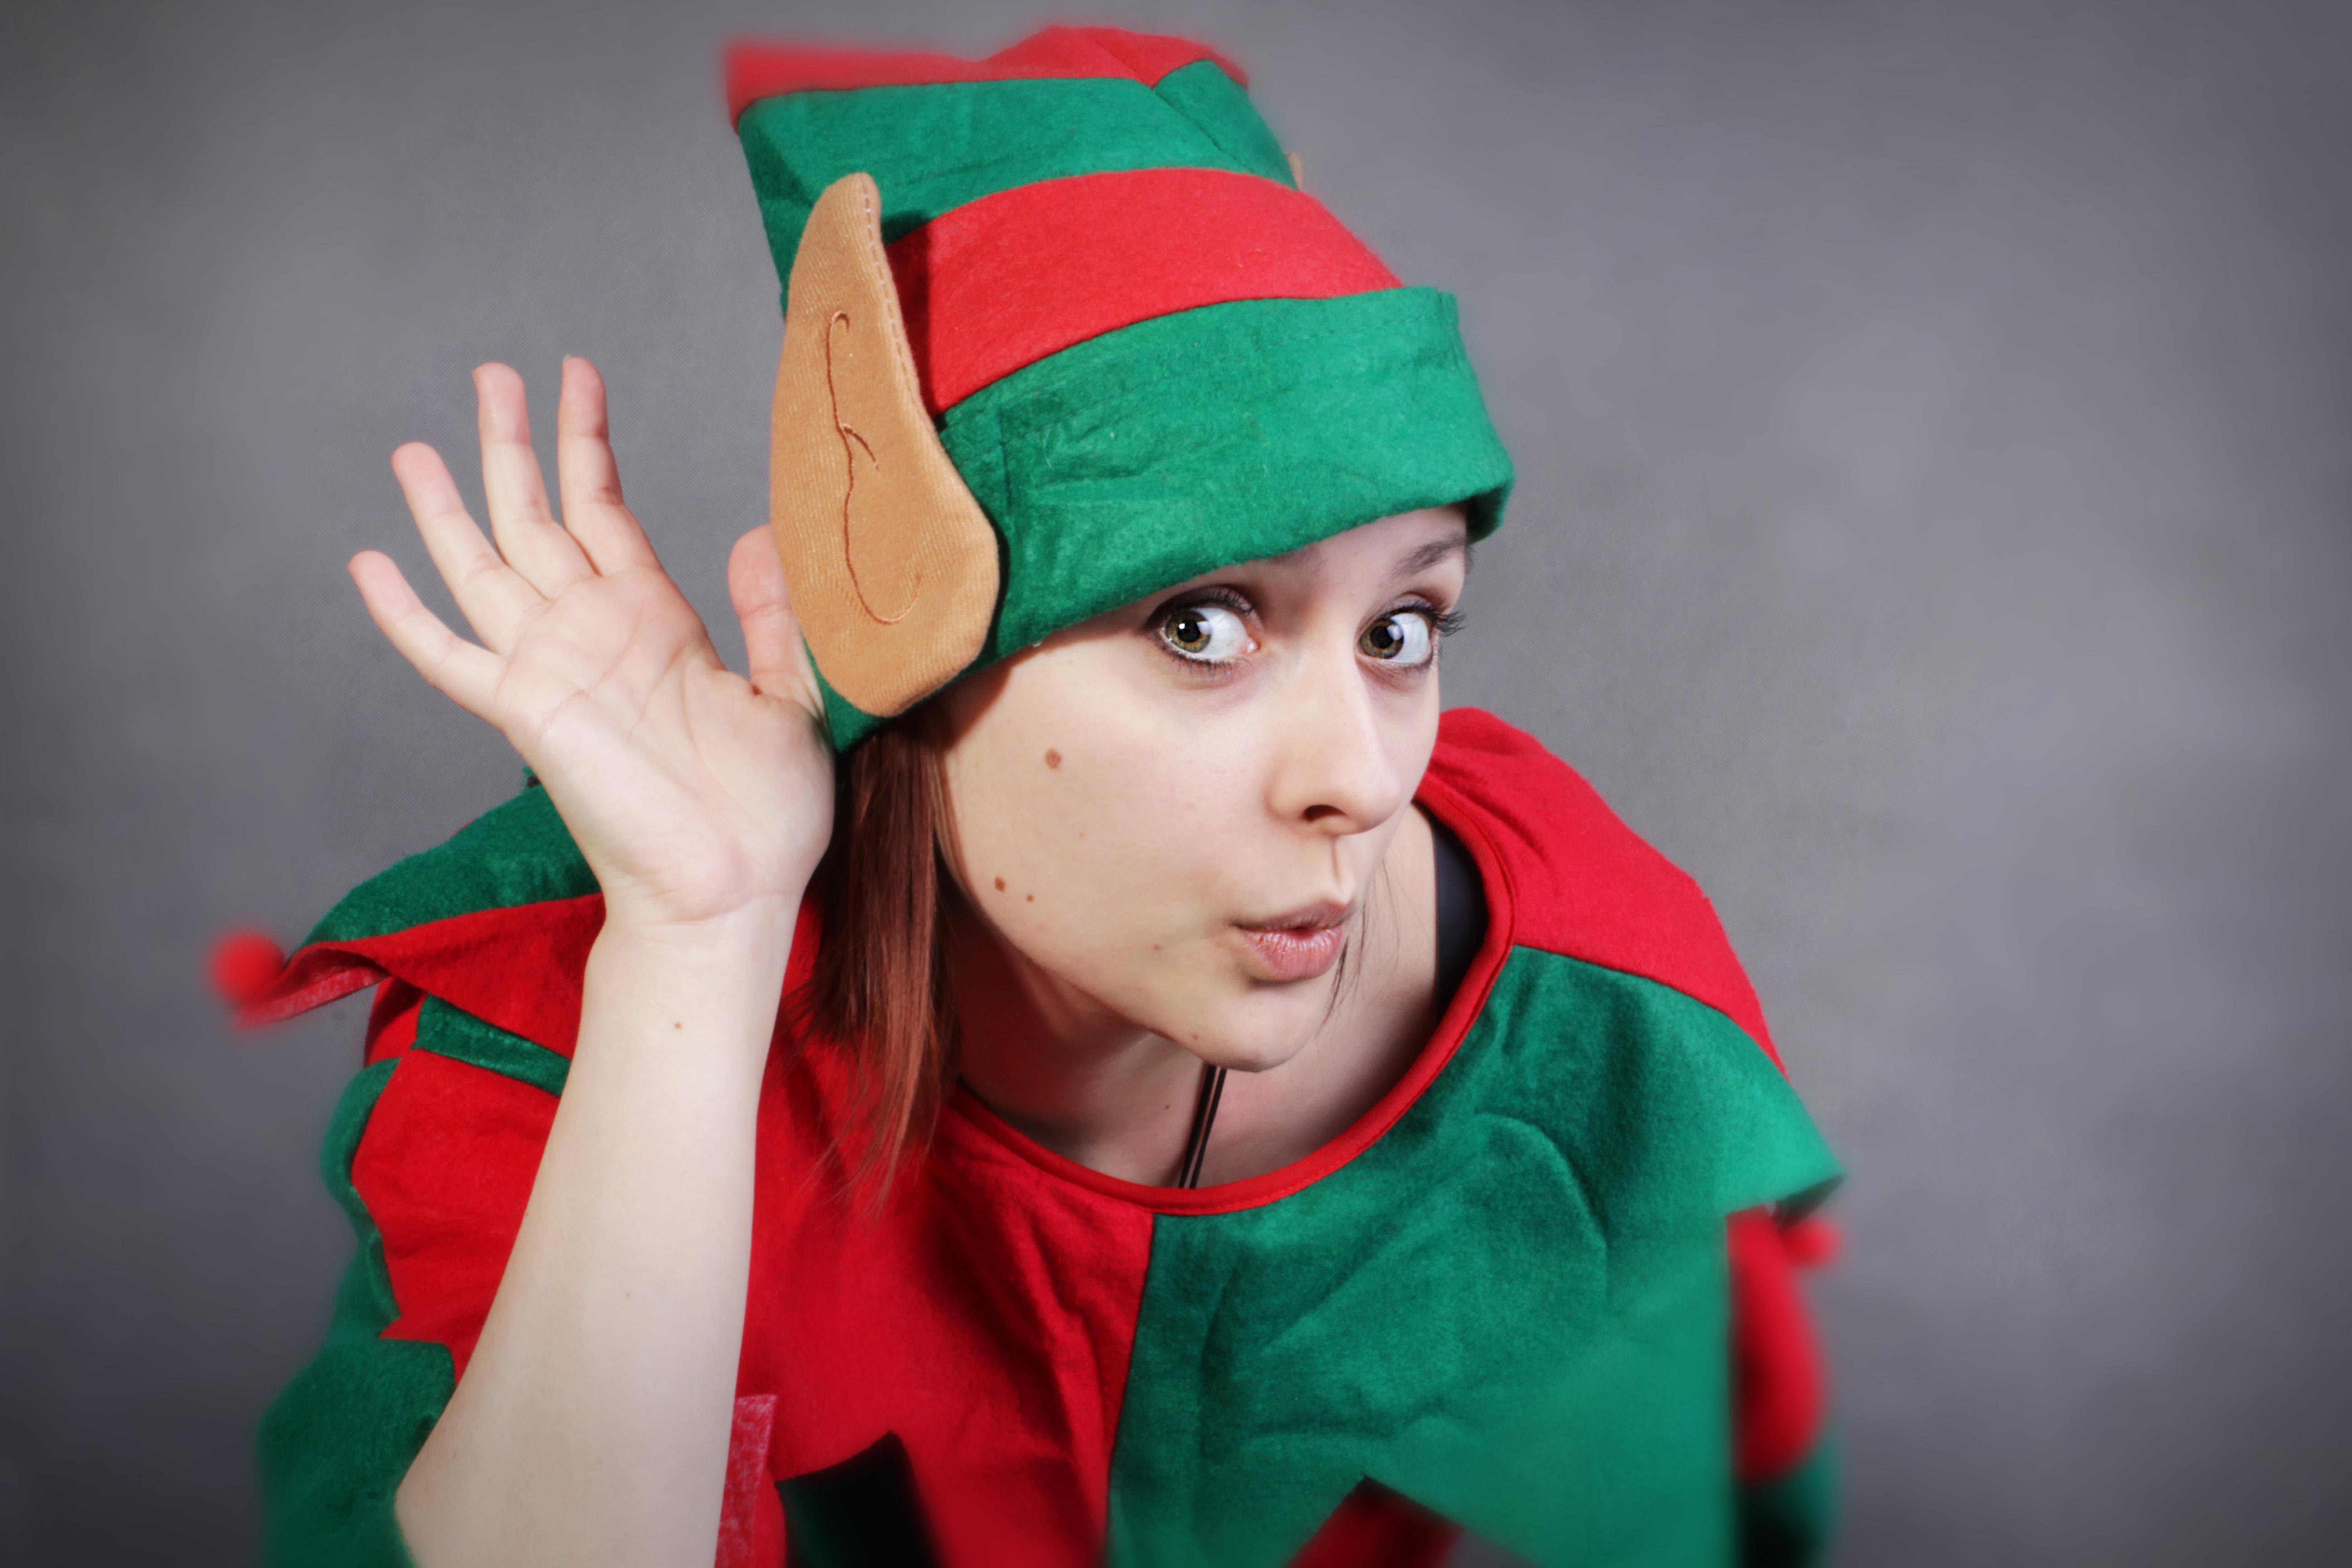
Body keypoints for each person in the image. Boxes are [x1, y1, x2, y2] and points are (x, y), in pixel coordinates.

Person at [228, 25, 1838, 1568]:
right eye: (1201, 625)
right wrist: (699, 943)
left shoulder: (1607, 1032)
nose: (1359, 781)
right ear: (913, 656)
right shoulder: (577, 1006)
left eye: (1402, 629)